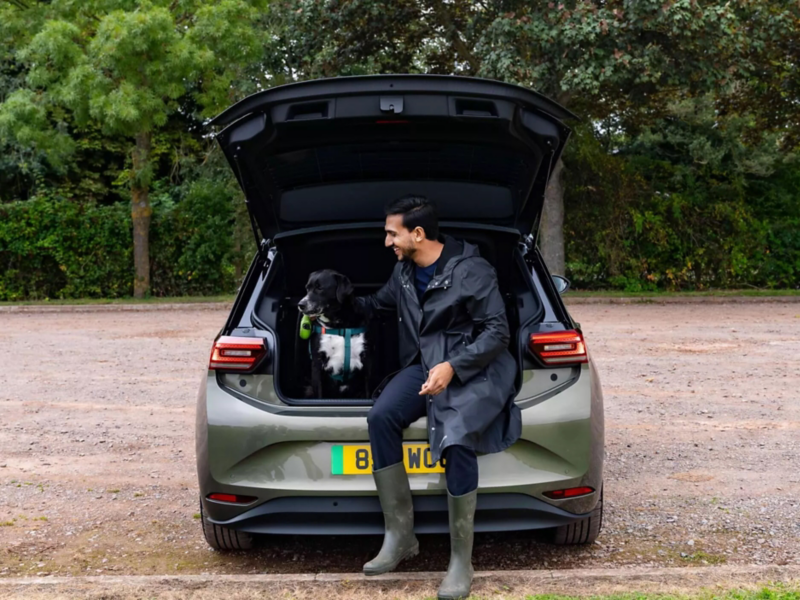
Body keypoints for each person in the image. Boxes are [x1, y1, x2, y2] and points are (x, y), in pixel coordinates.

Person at [357, 195, 521, 600]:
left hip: (474, 365)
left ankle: (461, 561)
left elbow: (498, 332)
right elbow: (376, 305)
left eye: (392, 234)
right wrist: (331, 304)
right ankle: (400, 537)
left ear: (418, 233)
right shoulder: (404, 272)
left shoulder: (472, 270)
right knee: (381, 417)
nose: (387, 242)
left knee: (456, 433)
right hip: (425, 364)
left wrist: (453, 367)